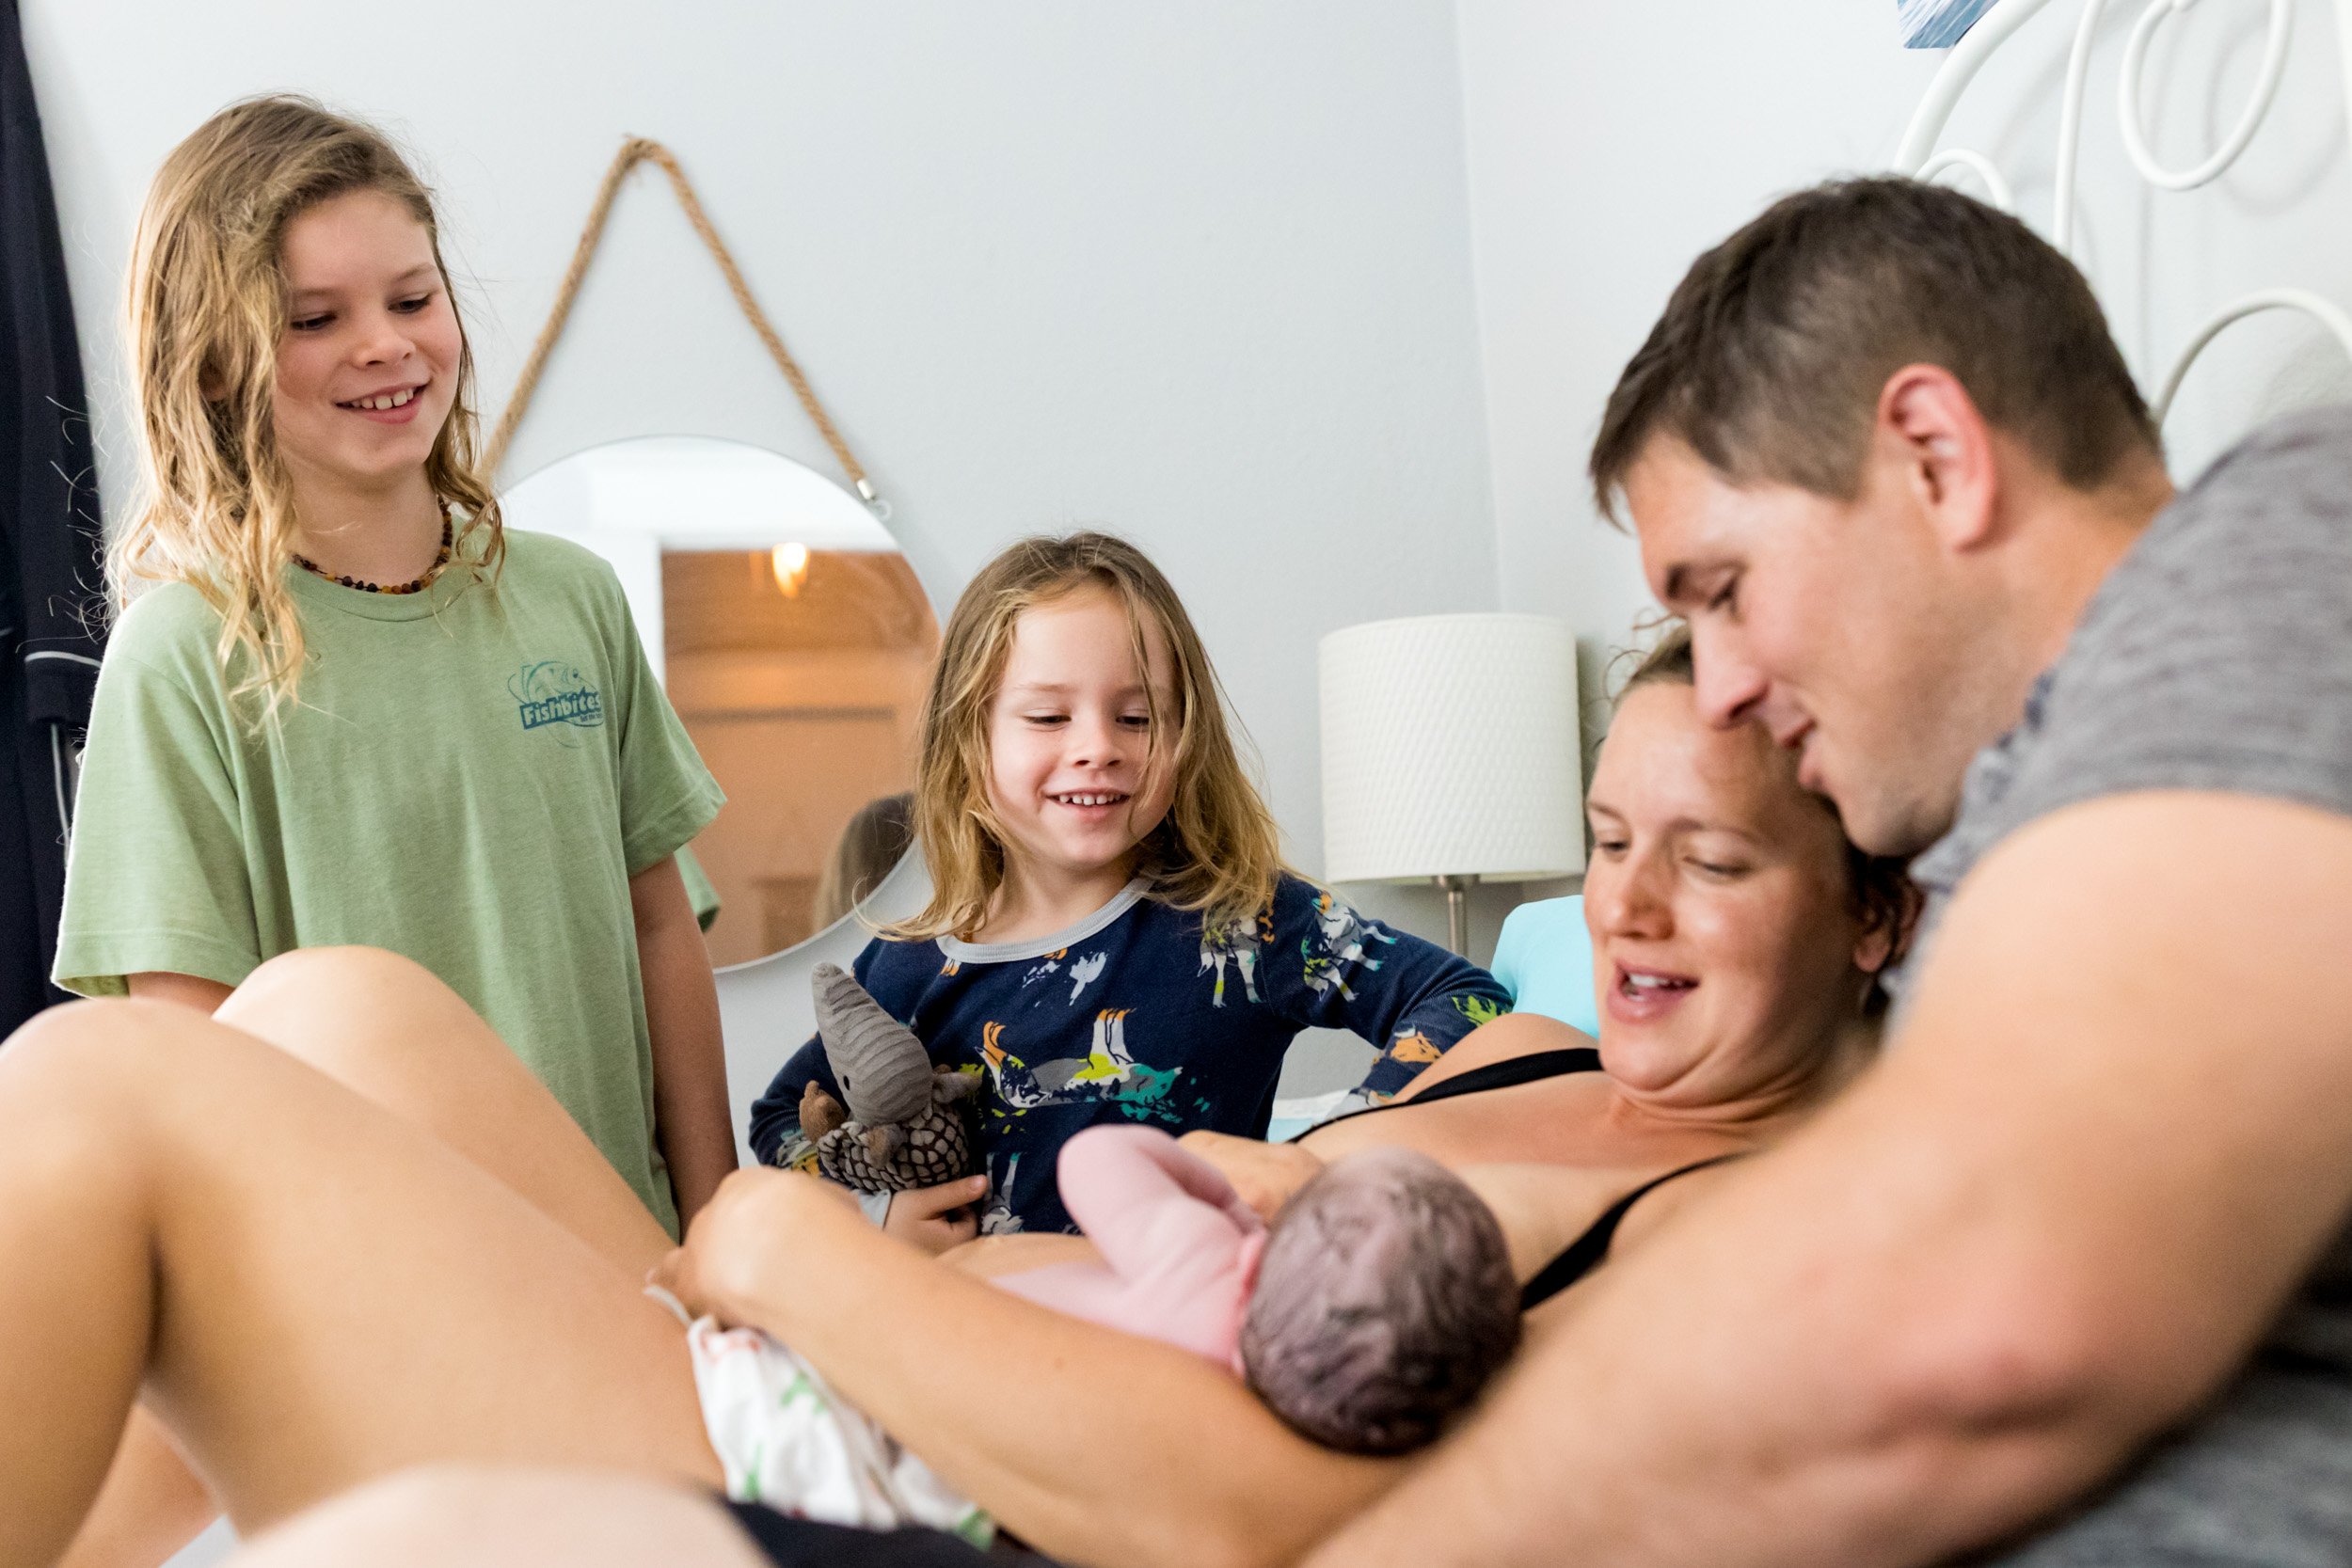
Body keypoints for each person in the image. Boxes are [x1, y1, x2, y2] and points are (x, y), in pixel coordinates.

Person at [0, 621, 1900, 1568]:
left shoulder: (1733, 1229)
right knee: (330, 1002)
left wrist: (797, 1260)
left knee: (113, 1092)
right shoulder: (1538, 1044)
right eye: (1598, 839)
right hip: (852, 1354)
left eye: (1712, 865)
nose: (1623, 907)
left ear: (1876, 907)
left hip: (917, 1485)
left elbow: (1261, 1511)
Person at [1302, 177, 2352, 1567]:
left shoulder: (2285, 536)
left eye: (1723, 589)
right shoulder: (1997, 847)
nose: (1721, 690)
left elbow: (1980, 1325)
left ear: (1934, 452)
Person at [45, 95, 732, 1568]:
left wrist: (725, 1223)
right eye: (317, 316)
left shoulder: (571, 604)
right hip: (372, 1297)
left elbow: (660, 922)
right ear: (218, 357)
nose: (386, 344)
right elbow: (187, 1063)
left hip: (625, 1271)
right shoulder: (187, 652)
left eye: (412, 296)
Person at [751, 531, 1511, 1236]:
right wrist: (875, 1214)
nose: (1098, 748)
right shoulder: (907, 969)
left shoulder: (1248, 921)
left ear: (1185, 736)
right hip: (981, 1335)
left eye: (1138, 717)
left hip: (1184, 1329)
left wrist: (1324, 1154)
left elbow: (1464, 998)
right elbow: (781, 1116)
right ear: (970, 741)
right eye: (1048, 716)